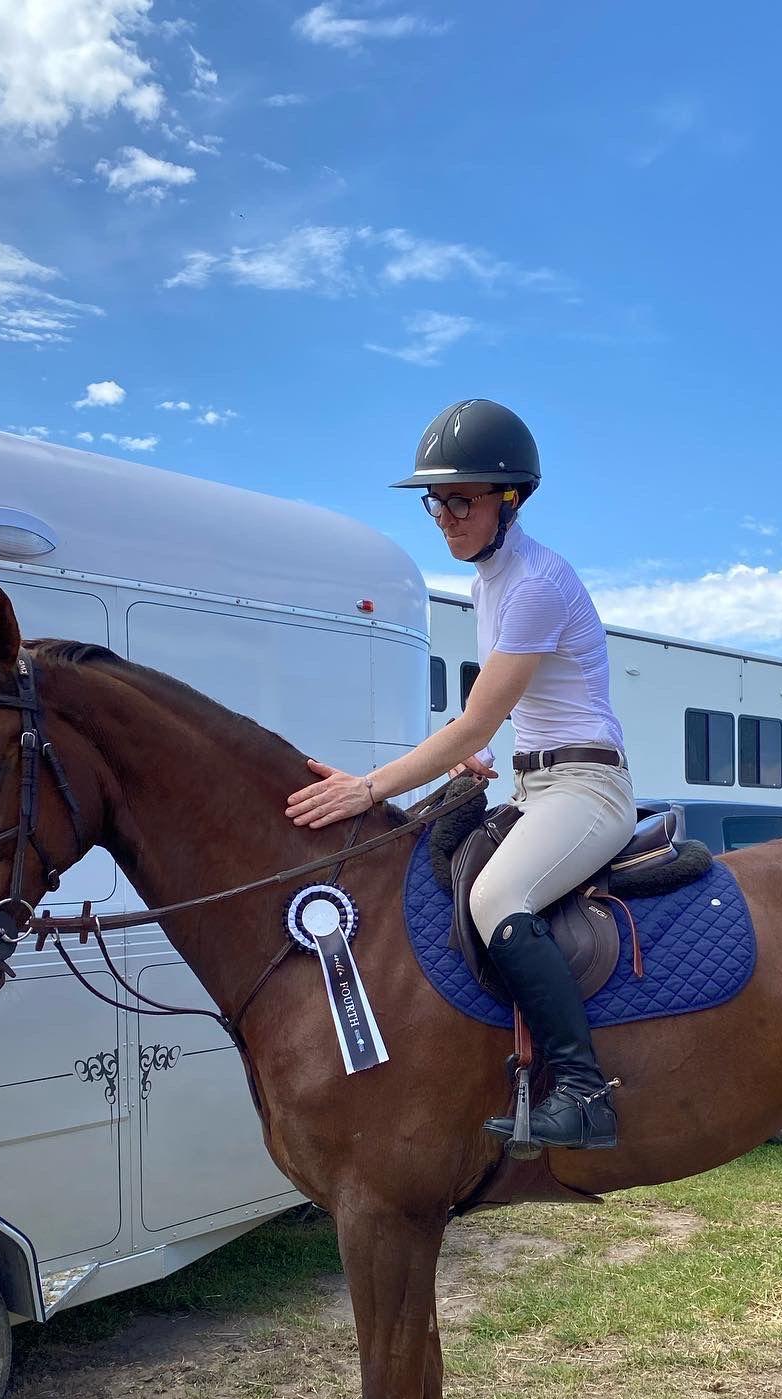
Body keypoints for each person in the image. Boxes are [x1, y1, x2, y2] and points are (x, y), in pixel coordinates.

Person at [286, 399, 636, 1150]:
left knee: (497, 897)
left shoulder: (535, 583)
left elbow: (475, 721)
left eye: (461, 500)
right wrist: (480, 754)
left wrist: (368, 788)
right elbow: (501, 714)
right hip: (533, 785)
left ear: (511, 500)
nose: (444, 516)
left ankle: (583, 1093)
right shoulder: (488, 584)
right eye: (435, 502)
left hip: (587, 790)